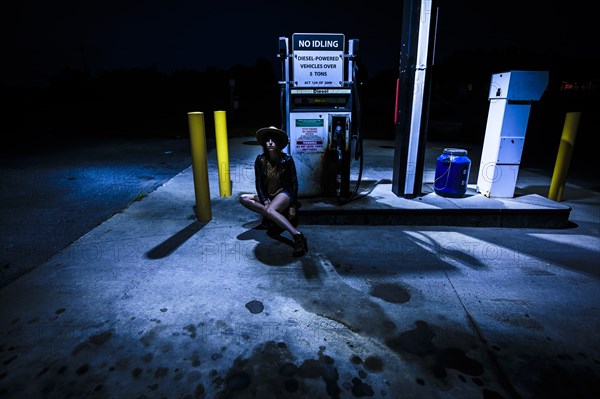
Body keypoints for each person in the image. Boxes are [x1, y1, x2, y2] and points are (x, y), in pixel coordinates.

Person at [239, 126, 308, 257]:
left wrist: (293, 205)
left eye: (273, 140)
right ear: (264, 143)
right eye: (267, 140)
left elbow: (294, 183)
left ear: (278, 144)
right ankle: (272, 215)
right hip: (268, 196)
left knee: (270, 210)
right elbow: (258, 183)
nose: (270, 142)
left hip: (283, 193)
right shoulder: (260, 160)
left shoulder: (287, 159)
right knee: (243, 198)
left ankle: (297, 236)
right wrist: (264, 200)